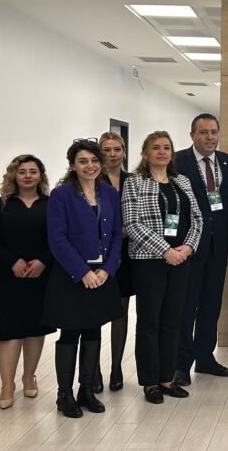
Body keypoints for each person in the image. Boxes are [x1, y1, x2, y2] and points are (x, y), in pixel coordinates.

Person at [43, 139, 123, 418]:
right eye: (83, 161)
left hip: (102, 274)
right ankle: (64, 394)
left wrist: (107, 269)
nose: (90, 166)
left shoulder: (109, 193)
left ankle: (86, 390)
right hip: (72, 275)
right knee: (70, 331)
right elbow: (57, 238)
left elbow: (116, 234)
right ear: (73, 165)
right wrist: (82, 272)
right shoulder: (61, 195)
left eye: (94, 160)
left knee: (93, 330)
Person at [122, 131, 203, 404]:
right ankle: (150, 382)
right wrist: (165, 251)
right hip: (149, 262)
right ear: (146, 152)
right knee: (149, 322)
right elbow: (132, 223)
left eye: (166, 147)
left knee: (173, 320)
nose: (161, 152)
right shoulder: (135, 182)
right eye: (155, 147)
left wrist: (187, 248)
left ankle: (167, 378)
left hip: (181, 260)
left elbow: (197, 218)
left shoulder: (182, 181)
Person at [0, 154, 54, 410]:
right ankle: (7, 385)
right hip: (7, 275)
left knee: (35, 329)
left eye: (33, 171)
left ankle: (29, 376)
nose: (27, 176)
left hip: (41, 275)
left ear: (40, 175)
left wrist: (43, 261)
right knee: (10, 331)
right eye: (22, 171)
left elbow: (59, 238)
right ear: (14, 175)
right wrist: (12, 261)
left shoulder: (51, 204)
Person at [173, 114, 228, 386]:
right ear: (192, 135)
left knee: (211, 306)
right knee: (186, 307)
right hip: (188, 247)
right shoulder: (178, 162)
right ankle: (181, 364)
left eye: (213, 132)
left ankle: (205, 358)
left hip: (218, 247)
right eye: (203, 132)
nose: (210, 137)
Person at [99, 131, 132, 392]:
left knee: (121, 310)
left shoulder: (133, 181)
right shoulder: (91, 179)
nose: (112, 154)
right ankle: (93, 370)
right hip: (98, 254)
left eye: (117, 149)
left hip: (128, 253)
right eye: (107, 150)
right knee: (96, 312)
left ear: (124, 152)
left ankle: (117, 367)